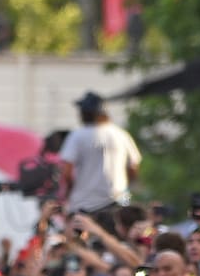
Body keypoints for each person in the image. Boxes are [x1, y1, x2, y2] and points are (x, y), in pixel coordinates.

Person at [58, 91, 141, 228]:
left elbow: (67, 172)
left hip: (84, 204)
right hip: (116, 203)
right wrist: (125, 188)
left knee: (81, 246)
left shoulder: (77, 136)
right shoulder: (120, 134)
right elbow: (133, 168)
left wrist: (67, 193)